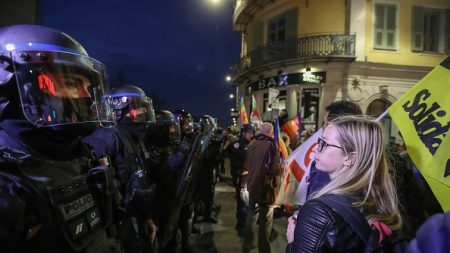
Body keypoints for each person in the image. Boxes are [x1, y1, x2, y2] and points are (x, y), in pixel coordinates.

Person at [0, 24, 120, 252]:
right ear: (21, 88)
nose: (87, 96)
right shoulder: (7, 183)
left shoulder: (78, 154)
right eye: (73, 83)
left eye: (89, 87)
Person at [286, 116, 402, 252]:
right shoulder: (378, 200)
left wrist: (293, 242)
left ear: (350, 158)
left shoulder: (319, 210)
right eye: (319, 141)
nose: (315, 149)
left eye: (324, 144)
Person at [83, 85, 158, 253]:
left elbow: (138, 181)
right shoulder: (105, 138)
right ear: (120, 108)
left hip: (134, 222)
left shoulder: (135, 139)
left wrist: (147, 217)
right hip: (117, 229)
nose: (144, 111)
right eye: (140, 106)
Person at [306, 100, 362, 200]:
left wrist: (305, 215)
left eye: (326, 123)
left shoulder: (325, 166)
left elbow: (313, 203)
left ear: (350, 157)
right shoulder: (365, 169)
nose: (323, 127)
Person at [244, 122, 282, 253]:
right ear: (271, 132)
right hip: (265, 187)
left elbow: (247, 164)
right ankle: (264, 249)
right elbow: (272, 169)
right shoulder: (271, 144)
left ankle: (248, 242)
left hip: (251, 183)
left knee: (251, 213)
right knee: (265, 220)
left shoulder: (252, 143)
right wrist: (281, 170)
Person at [227, 123, 255, 235]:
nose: (251, 135)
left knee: (248, 202)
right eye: (249, 133)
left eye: (252, 133)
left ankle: (246, 223)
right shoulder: (236, 145)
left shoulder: (253, 144)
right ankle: (241, 225)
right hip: (241, 177)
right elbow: (233, 159)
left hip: (250, 178)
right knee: (242, 201)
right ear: (244, 133)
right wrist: (239, 171)